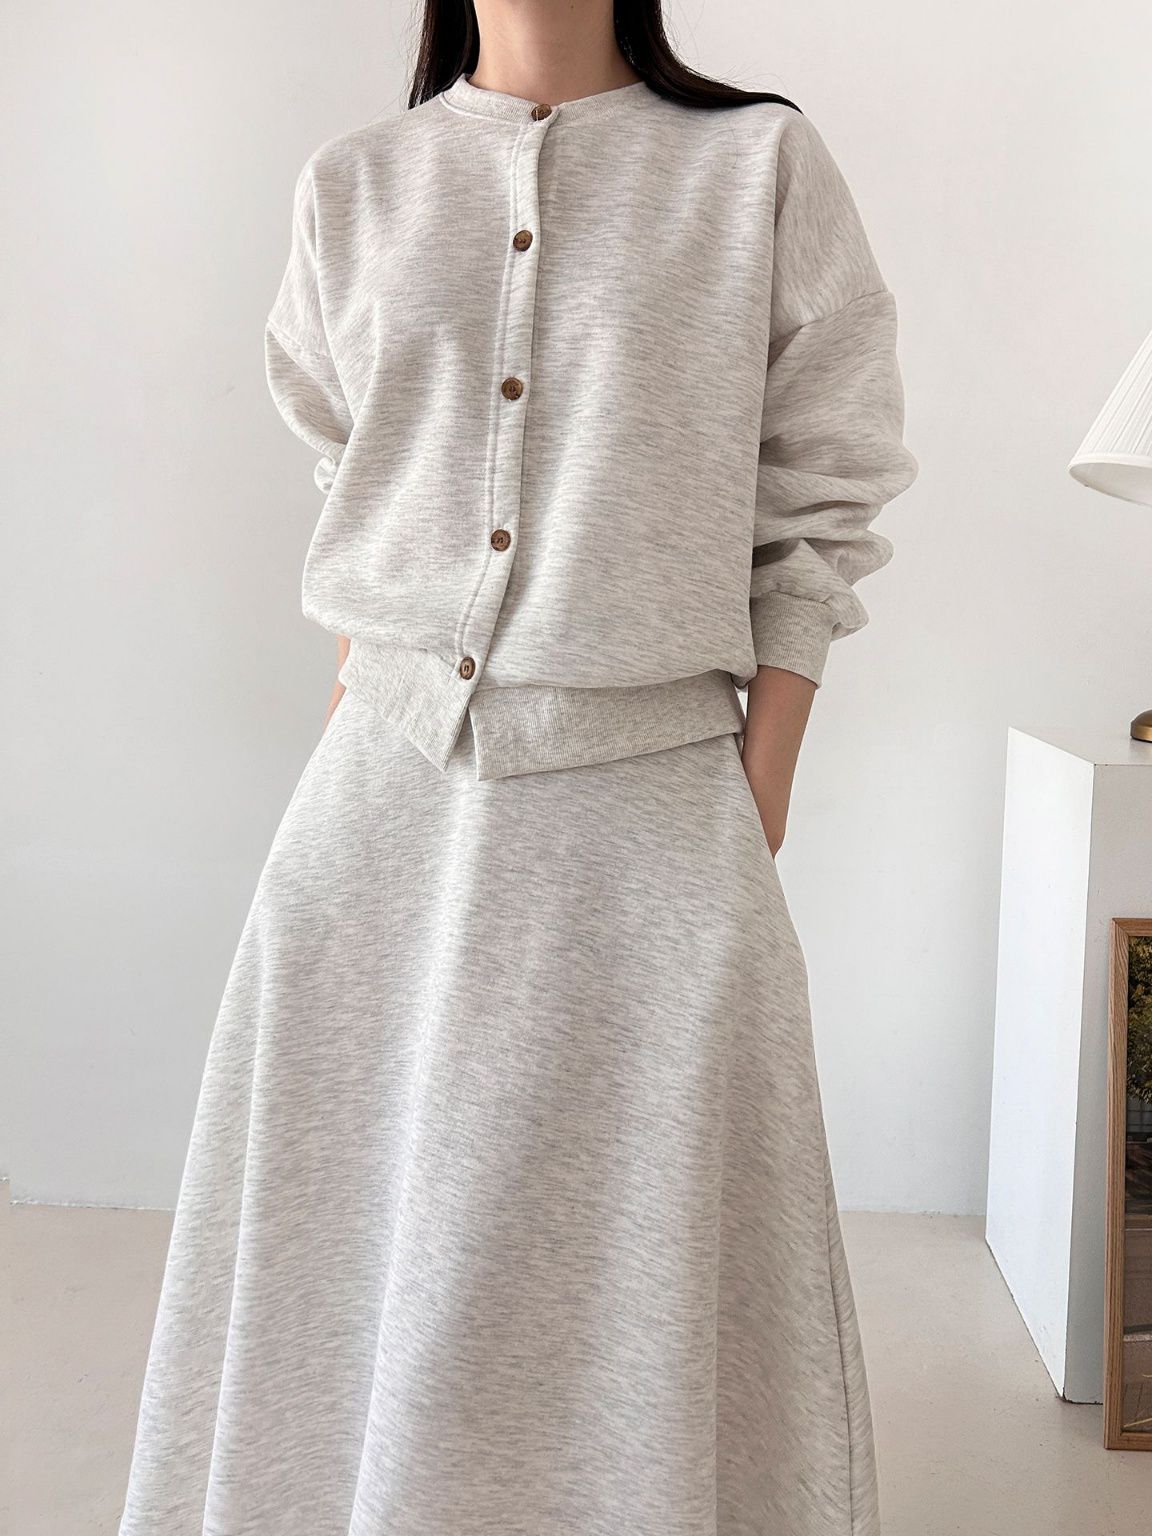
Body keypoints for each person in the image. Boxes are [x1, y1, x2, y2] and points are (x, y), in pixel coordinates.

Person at [117, 2, 918, 1532]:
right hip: (379, 809)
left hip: (651, 799)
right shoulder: (356, 183)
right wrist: (372, 702)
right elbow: (353, 470)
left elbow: (824, 489)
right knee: (357, 1270)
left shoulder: (756, 167)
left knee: (635, 1276)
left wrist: (752, 795)